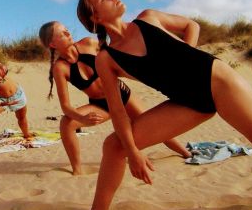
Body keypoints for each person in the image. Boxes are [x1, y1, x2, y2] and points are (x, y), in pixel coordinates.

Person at [75, 0, 252, 210]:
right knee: (115, 145)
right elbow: (117, 110)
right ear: (95, 17)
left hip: (219, 82)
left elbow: (192, 25)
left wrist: (186, 52)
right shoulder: (106, 59)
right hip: (187, 102)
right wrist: (133, 152)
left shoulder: (148, 18)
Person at [38, 21, 191, 175]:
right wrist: (82, 119)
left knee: (154, 126)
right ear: (52, 44)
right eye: (62, 33)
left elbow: (118, 55)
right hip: (101, 105)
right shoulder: (60, 68)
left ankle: (186, 153)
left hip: (121, 94)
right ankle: (77, 170)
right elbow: (66, 106)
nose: (68, 33)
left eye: (67, 30)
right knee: (66, 123)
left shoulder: (89, 43)